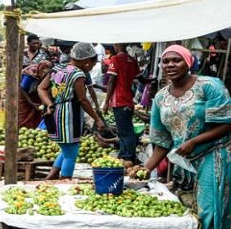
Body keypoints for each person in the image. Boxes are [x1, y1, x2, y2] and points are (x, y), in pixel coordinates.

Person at [144, 45, 231, 229]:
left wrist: (193, 141)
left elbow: (229, 123)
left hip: (217, 151)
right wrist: (145, 169)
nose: (170, 64)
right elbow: (162, 141)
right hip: (185, 158)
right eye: (166, 61)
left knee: (210, 206)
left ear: (188, 63)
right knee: (189, 205)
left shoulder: (209, 86)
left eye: (176, 60)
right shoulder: (161, 97)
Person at [38, 42, 106, 180]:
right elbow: (83, 100)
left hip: (55, 114)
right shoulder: (77, 74)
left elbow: (41, 88)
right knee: (71, 154)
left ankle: (50, 178)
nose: (91, 67)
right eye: (92, 65)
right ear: (87, 62)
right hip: (68, 117)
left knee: (66, 149)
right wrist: (97, 119)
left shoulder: (57, 68)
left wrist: (49, 103)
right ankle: (65, 181)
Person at [103, 43, 151, 163]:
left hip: (119, 100)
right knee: (126, 129)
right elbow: (142, 79)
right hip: (128, 100)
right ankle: (125, 154)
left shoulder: (115, 59)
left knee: (125, 131)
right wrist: (152, 80)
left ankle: (128, 157)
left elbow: (111, 81)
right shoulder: (132, 60)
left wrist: (106, 102)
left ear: (116, 45)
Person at [19, 60, 53, 129]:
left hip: (35, 96)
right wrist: (30, 102)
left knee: (36, 116)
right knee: (24, 117)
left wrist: (44, 104)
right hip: (24, 97)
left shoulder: (48, 75)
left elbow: (45, 89)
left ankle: (34, 130)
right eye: (43, 73)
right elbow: (22, 89)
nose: (44, 75)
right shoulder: (30, 74)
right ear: (40, 70)